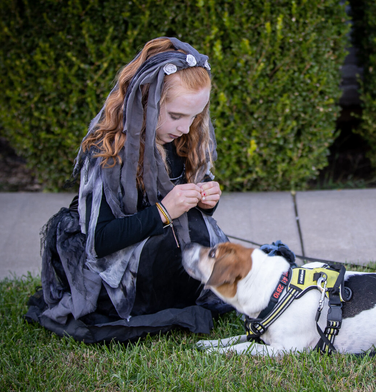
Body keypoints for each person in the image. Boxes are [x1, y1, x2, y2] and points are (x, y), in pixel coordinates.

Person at [26, 37, 231, 343]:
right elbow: (100, 240)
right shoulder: (108, 151)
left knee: (201, 233)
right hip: (113, 270)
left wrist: (204, 201)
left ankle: (174, 291)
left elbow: (191, 214)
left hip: (156, 250)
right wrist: (164, 211)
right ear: (147, 101)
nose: (186, 128)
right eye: (177, 116)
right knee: (162, 245)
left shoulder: (181, 140)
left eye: (195, 116)